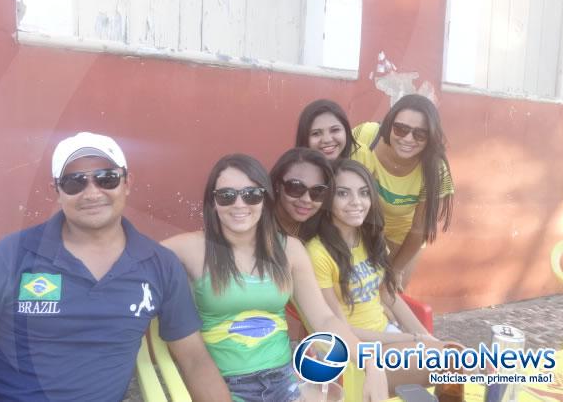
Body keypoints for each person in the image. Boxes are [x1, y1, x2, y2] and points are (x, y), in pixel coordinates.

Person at [0, 132, 230, 402]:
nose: (92, 193)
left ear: (127, 183)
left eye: (107, 179)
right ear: (56, 191)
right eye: (73, 182)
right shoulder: (12, 254)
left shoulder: (159, 265)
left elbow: (195, 359)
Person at [162, 154, 388, 402]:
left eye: (251, 195)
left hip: (283, 382)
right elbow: (136, 262)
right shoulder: (191, 248)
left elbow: (323, 319)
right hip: (224, 386)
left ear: (265, 199)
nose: (239, 204)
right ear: (213, 202)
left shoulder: (290, 249)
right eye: (226, 196)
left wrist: (371, 364)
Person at [306, 158, 443, 395]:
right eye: (343, 194)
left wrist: (426, 337)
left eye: (363, 193)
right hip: (353, 352)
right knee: (454, 360)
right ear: (328, 200)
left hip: (387, 338)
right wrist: (411, 339)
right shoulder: (318, 252)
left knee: (451, 355)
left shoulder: (370, 239)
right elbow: (338, 327)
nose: (356, 202)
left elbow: (388, 294)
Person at [350, 95, 454, 289]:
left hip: (402, 234)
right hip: (359, 223)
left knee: (387, 292)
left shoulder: (434, 168)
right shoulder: (366, 135)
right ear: (389, 124)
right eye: (401, 129)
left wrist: (395, 270)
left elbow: (419, 229)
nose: (408, 139)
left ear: (431, 136)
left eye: (420, 134)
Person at [269, 147, 334, 241]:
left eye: (318, 191)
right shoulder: (255, 225)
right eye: (296, 188)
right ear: (277, 185)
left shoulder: (322, 229)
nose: (307, 199)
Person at [295, 99, 359, 161]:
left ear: (346, 131)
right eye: (316, 133)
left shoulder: (362, 158)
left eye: (335, 130)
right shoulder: (295, 171)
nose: (327, 140)